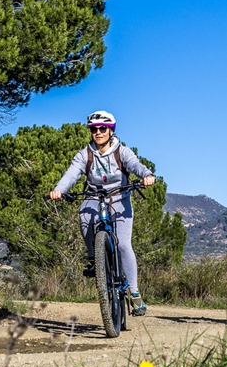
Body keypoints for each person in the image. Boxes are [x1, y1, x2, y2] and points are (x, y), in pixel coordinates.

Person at [50, 110, 156, 315]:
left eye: (102, 129)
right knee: (84, 215)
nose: (98, 132)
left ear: (110, 131)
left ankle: (134, 293)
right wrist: (59, 190)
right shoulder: (85, 154)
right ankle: (95, 257)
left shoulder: (121, 151)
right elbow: (71, 174)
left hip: (119, 198)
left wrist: (147, 175)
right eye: (94, 129)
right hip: (94, 196)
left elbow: (136, 165)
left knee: (124, 244)